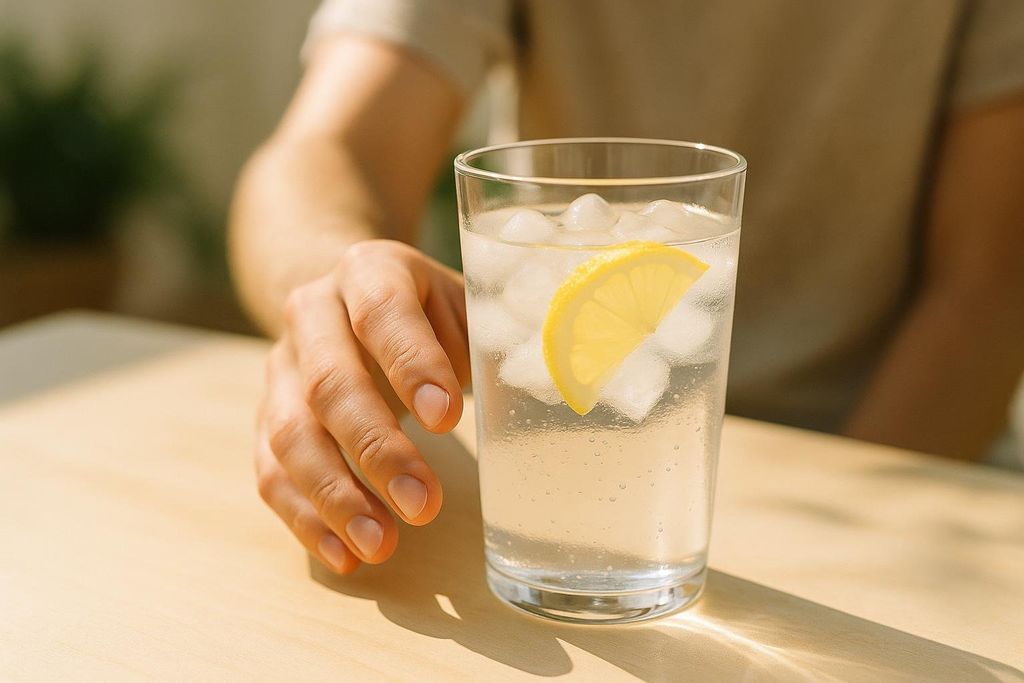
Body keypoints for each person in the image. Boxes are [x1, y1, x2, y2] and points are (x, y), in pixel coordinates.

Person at [229, 1, 1024, 575]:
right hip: (556, 481)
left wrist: (819, 541)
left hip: (896, 485)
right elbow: (325, 150)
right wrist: (335, 288)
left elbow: (992, 279)